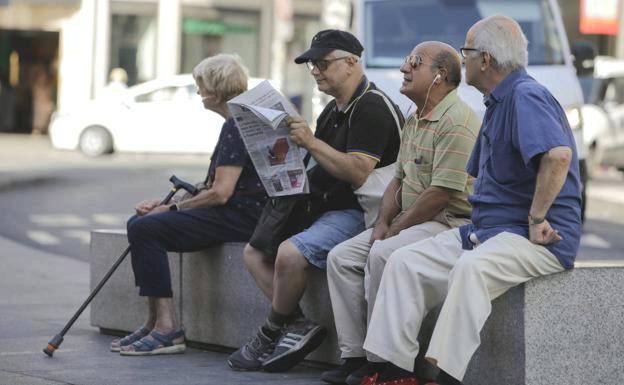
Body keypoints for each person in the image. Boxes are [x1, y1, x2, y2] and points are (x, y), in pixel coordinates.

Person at [360, 15, 582, 385]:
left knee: (471, 269)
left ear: (485, 60)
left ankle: (444, 376)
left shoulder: (526, 95)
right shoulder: (496, 102)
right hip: (488, 230)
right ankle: (396, 373)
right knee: (403, 261)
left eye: (466, 52)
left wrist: (537, 217)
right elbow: (478, 176)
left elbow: (558, 156)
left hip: (534, 237)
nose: (461, 61)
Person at [227, 29, 403, 372]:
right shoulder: (333, 109)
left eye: (323, 63)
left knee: (290, 254)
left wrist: (309, 142)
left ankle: (270, 330)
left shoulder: (371, 107)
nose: (316, 71)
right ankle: (297, 324)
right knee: (254, 252)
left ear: (352, 63)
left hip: (361, 211)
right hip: (321, 204)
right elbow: (318, 162)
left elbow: (357, 172)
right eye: (312, 65)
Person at [323, 41, 480, 385]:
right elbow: (397, 180)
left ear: (439, 76)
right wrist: (382, 222)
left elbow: (441, 194)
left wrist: (393, 229)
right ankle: (355, 356)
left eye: (414, 62)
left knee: (383, 253)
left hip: (446, 223)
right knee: (340, 257)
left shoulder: (458, 121)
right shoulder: (415, 116)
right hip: (410, 220)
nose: (403, 69)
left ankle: (390, 365)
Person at [110, 54, 268, 356]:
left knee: (146, 229)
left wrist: (170, 210)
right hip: (240, 212)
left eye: (200, 86)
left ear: (216, 92)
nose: (198, 92)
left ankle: (168, 328)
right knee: (139, 223)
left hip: (241, 217)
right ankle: (154, 320)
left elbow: (221, 193)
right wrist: (168, 202)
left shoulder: (236, 125)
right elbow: (214, 186)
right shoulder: (241, 119)